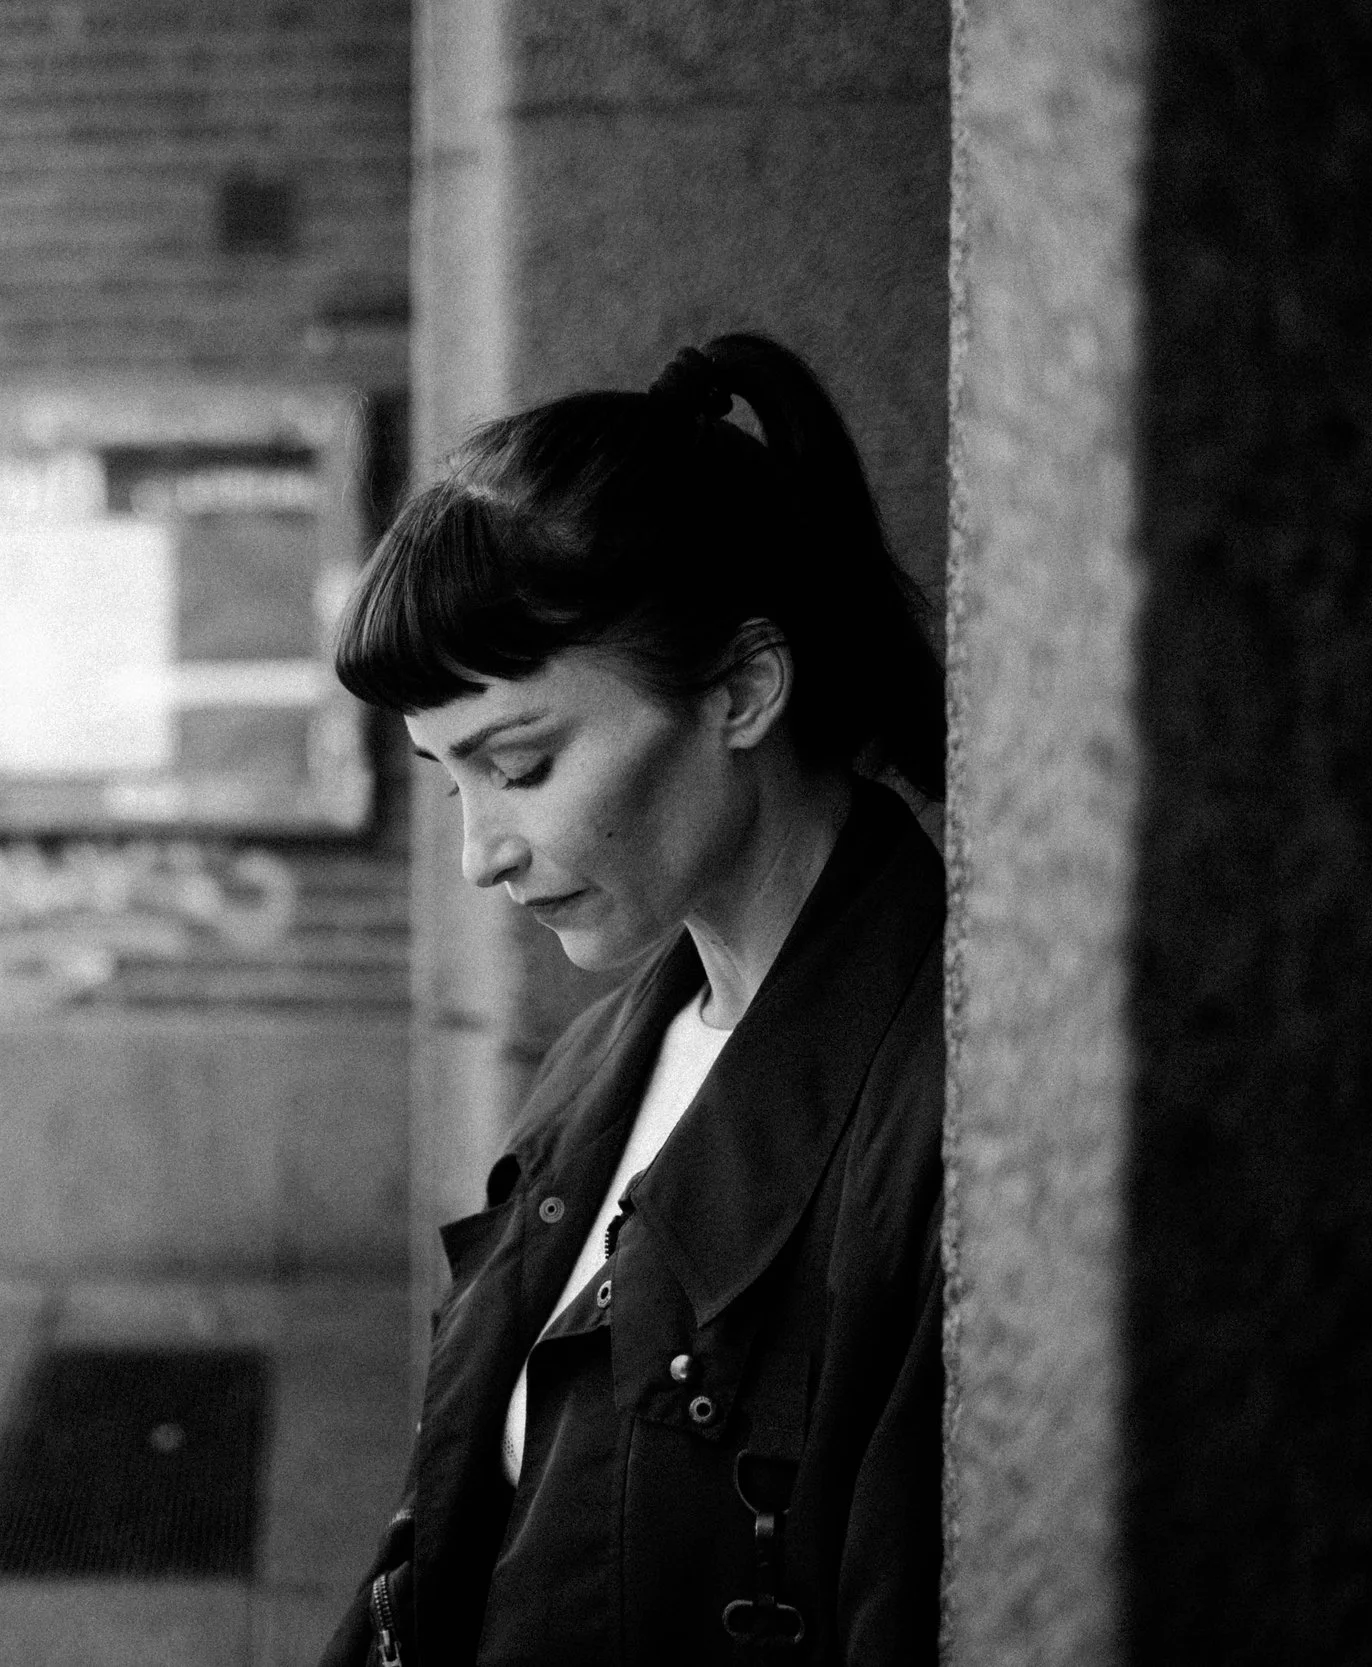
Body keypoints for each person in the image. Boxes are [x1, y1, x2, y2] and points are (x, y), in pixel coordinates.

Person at [319, 334, 944, 1667]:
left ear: (742, 689)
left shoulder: (938, 1119)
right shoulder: (615, 1049)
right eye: (450, 780)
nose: (481, 849)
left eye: (523, 764)